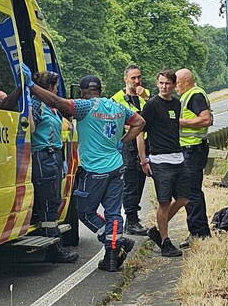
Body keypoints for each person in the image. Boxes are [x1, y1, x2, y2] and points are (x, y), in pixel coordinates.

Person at [27, 73, 146, 272]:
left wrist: (30, 85)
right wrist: (123, 140)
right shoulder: (117, 107)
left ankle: (112, 243)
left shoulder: (85, 106)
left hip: (94, 170)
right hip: (116, 166)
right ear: (100, 90)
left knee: (85, 212)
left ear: (82, 92)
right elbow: (140, 122)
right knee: (114, 212)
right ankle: (111, 253)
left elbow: (56, 101)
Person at [136, 70, 189, 257]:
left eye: (167, 83)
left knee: (184, 198)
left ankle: (157, 231)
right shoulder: (151, 105)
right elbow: (139, 133)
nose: (164, 86)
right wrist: (144, 160)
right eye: (161, 83)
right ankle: (165, 242)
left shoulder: (176, 103)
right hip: (159, 160)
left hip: (178, 157)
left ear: (174, 85)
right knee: (164, 202)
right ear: (157, 84)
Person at [29, 69, 79, 263]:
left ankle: (53, 245)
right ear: (49, 88)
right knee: (49, 204)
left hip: (54, 157)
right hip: (43, 156)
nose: (57, 90)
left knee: (53, 202)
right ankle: (53, 248)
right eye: (56, 87)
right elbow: (31, 129)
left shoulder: (51, 107)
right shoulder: (37, 105)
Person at [110, 65, 151, 236]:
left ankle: (134, 217)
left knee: (140, 181)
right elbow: (113, 121)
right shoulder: (117, 99)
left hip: (146, 143)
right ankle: (131, 220)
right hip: (127, 144)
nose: (137, 81)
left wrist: (146, 97)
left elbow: (156, 112)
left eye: (139, 77)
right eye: (133, 78)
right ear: (125, 79)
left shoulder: (145, 95)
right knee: (130, 182)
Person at [176, 68, 214, 247]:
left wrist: (179, 122)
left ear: (186, 82)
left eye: (177, 82)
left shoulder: (194, 95)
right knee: (189, 191)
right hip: (190, 148)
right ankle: (198, 231)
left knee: (191, 192)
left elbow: (206, 119)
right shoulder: (188, 95)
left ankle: (199, 233)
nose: (175, 87)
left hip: (193, 149)